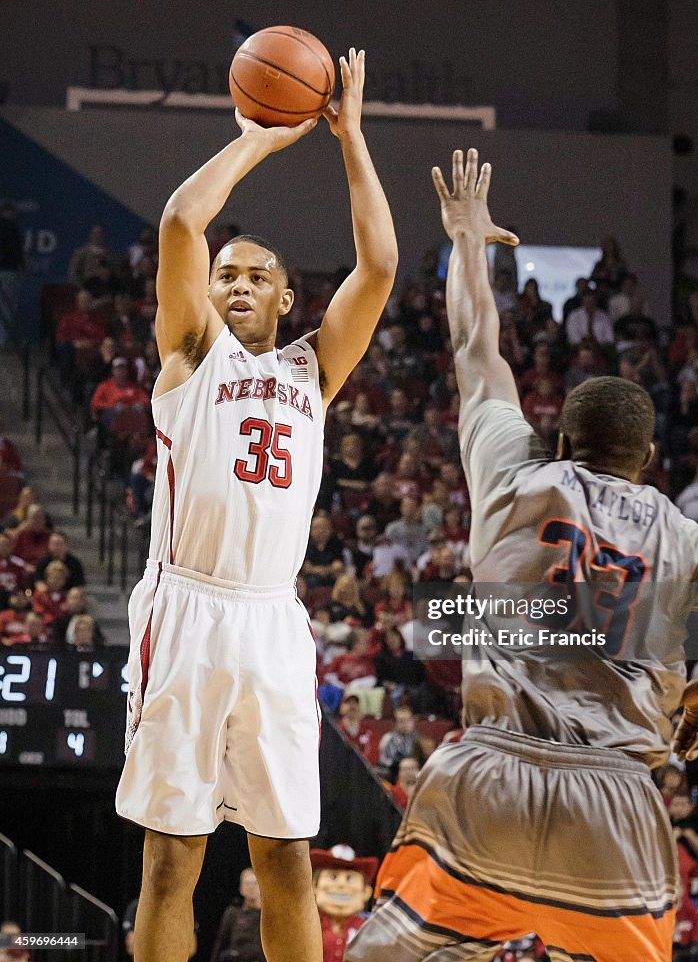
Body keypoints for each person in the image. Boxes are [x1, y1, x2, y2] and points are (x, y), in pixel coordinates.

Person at [346, 149, 698, 962]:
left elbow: (475, 346)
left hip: (490, 775)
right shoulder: (688, 534)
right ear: (645, 461)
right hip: (615, 797)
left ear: (559, 439)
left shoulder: (513, 471)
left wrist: (465, 239)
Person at [114, 47, 397, 962]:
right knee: (171, 862)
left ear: (285, 296)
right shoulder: (191, 351)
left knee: (286, 858)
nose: (234, 283)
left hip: (272, 623)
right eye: (224, 272)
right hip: (186, 609)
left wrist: (350, 138)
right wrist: (256, 141)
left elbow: (381, 265)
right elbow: (180, 219)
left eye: (254, 274)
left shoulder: (313, 369)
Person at [210, 868, 265, 962]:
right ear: (241, 889)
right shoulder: (232, 913)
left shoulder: (267, 917)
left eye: (255, 883)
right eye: (247, 883)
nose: (251, 887)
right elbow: (220, 943)